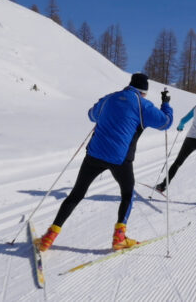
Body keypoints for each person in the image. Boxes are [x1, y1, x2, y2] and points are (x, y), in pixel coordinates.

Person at [37, 73, 173, 252]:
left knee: (76, 194)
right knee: (127, 194)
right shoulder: (143, 105)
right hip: (120, 159)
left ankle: (49, 237)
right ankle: (119, 238)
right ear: (143, 92)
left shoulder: (110, 98)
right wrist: (166, 104)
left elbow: (91, 115)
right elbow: (166, 123)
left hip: (94, 154)